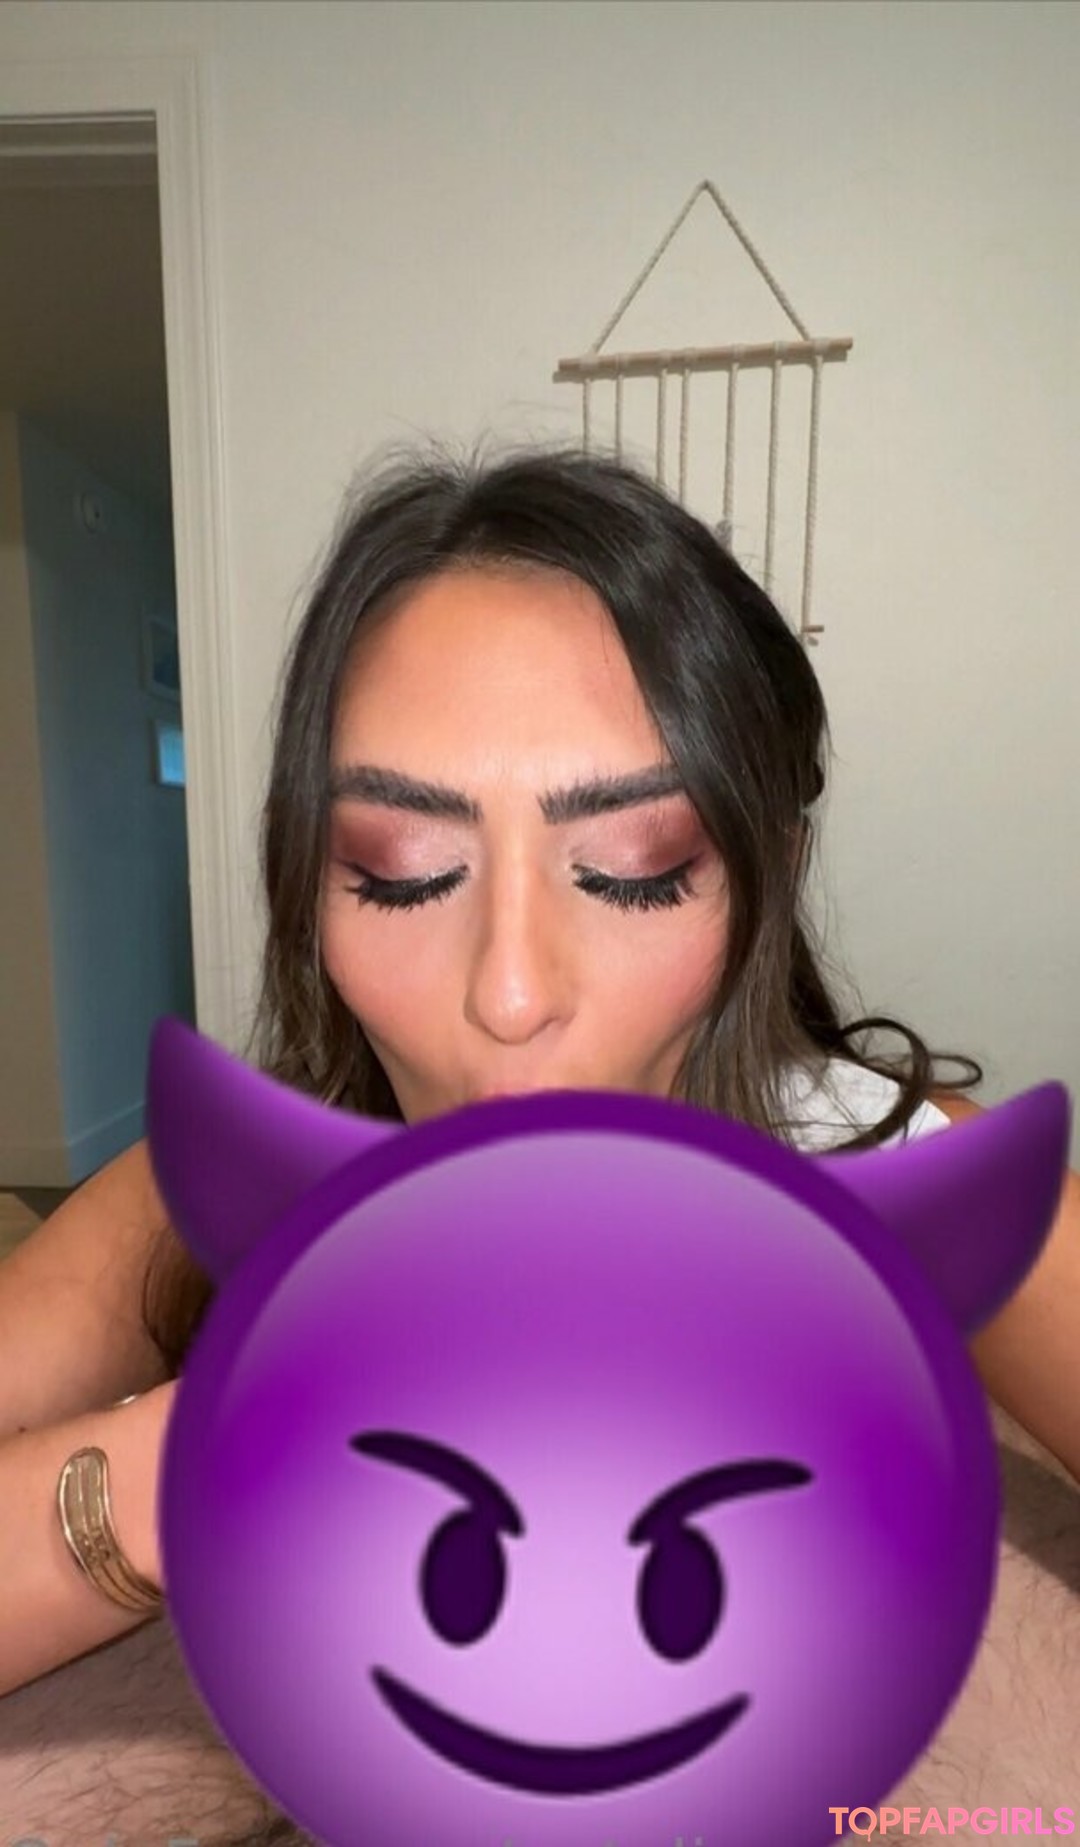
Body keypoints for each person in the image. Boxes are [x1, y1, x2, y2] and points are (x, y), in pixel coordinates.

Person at [0, 447, 1077, 1843]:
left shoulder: (905, 1175)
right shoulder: (205, 1196)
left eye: (636, 871)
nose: (511, 991)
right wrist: (196, 1470)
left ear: (767, 874)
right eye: (404, 874)